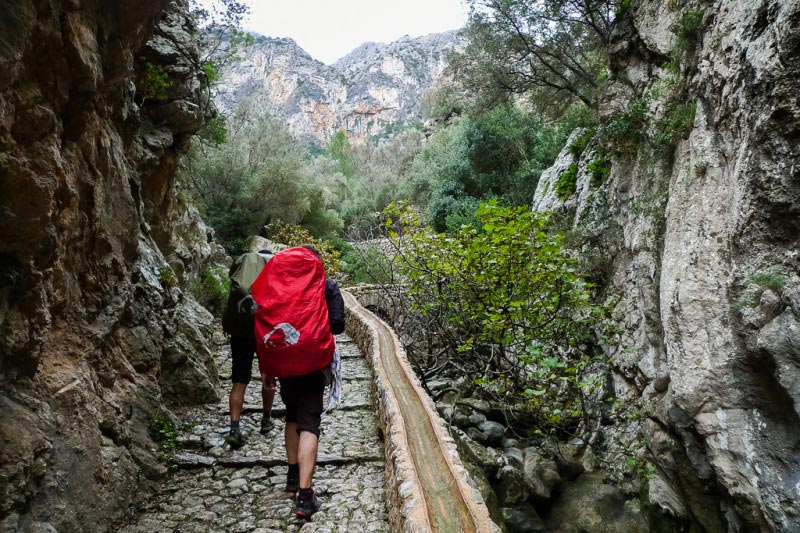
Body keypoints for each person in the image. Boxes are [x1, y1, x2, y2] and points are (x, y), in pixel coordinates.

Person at [251, 245, 345, 519]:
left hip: (283, 361)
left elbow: (262, 323)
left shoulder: (278, 288)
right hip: (314, 362)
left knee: (291, 415)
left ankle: (292, 475)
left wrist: (267, 366)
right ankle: (305, 496)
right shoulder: (326, 286)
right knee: (309, 421)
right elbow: (338, 325)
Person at [222, 250, 277, 448]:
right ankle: (266, 420)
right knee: (268, 375)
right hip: (264, 331)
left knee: (239, 379)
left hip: (240, 332)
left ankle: (234, 428)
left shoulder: (242, 264)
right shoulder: (271, 267)